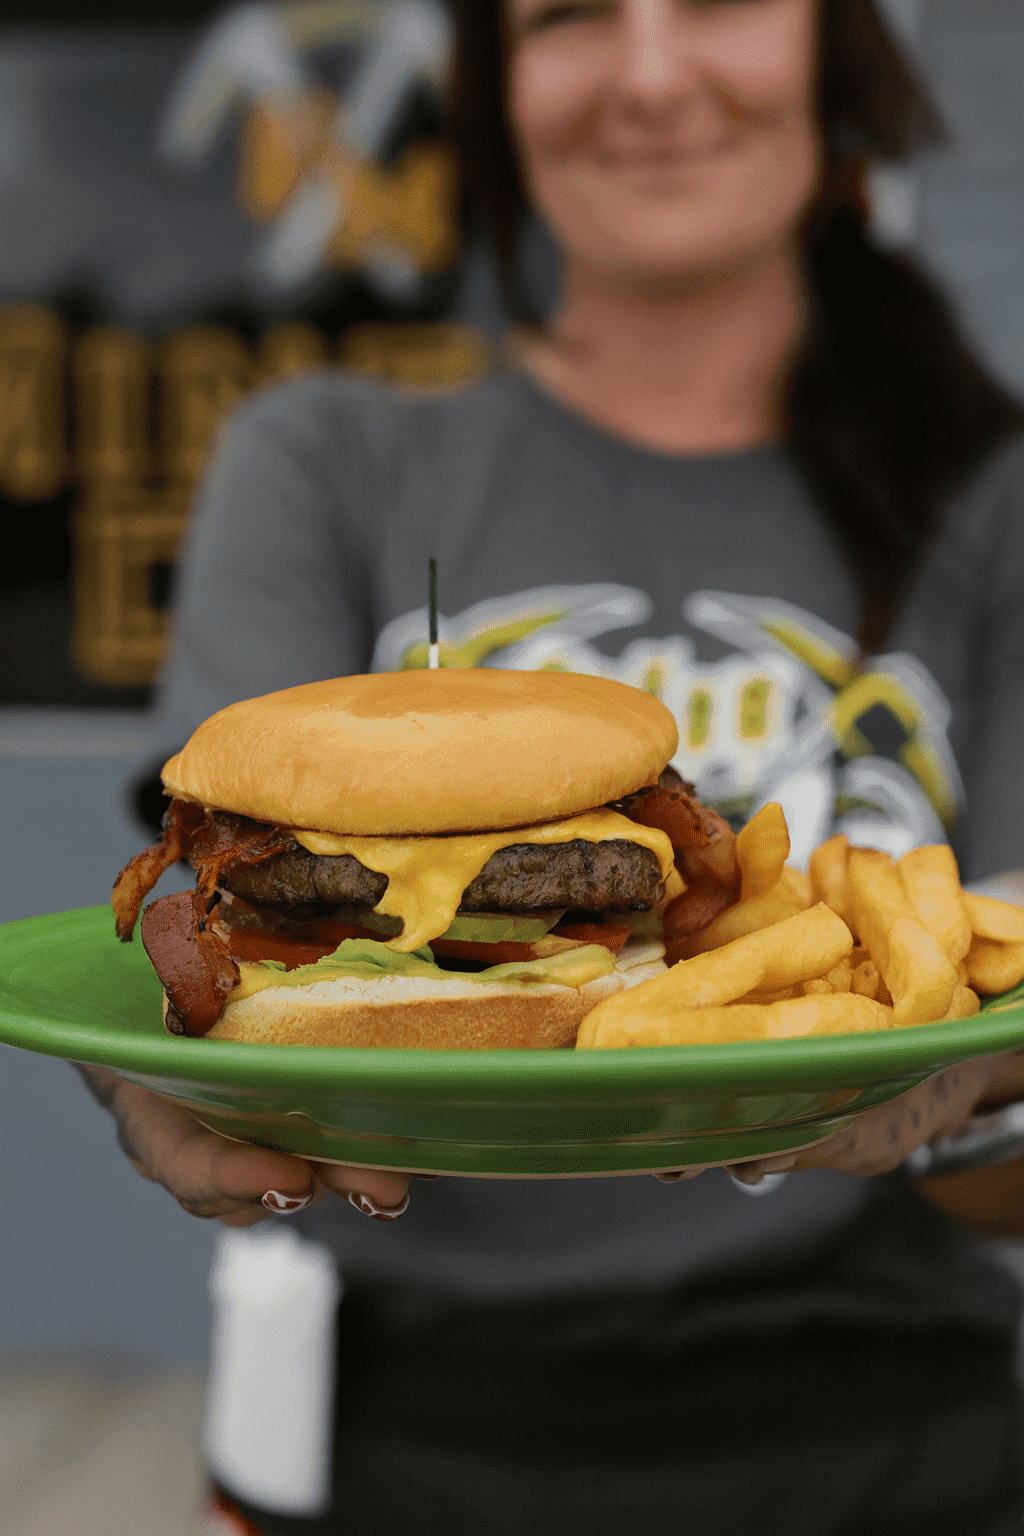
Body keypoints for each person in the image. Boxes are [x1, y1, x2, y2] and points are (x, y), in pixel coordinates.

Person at [80, 1, 1024, 1531]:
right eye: (571, 15)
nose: (652, 71)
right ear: (494, 93)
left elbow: (1009, 1033)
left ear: (833, 56)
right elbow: (171, 950)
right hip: (406, 1425)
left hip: (894, 1420)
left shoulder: (989, 495)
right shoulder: (323, 456)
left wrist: (967, 1094)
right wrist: (159, 1089)